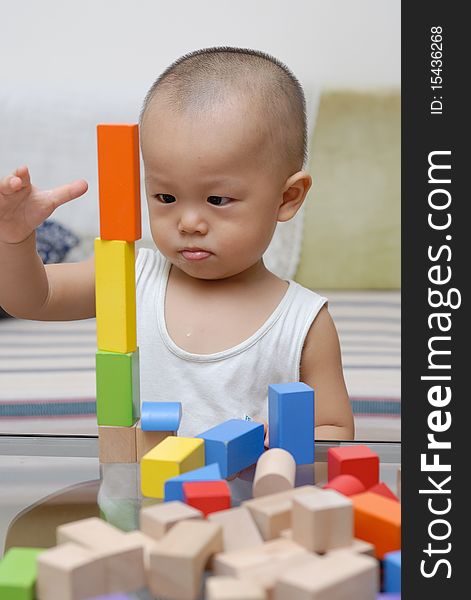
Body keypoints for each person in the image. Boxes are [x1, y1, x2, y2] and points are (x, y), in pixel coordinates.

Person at [0, 47, 354, 442]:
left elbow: (334, 429)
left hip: (249, 500)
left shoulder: (303, 322)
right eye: (165, 198)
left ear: (287, 198)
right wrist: (15, 239)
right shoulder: (131, 277)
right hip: (143, 500)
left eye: (217, 200)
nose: (188, 223)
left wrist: (286, 436)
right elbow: (33, 298)